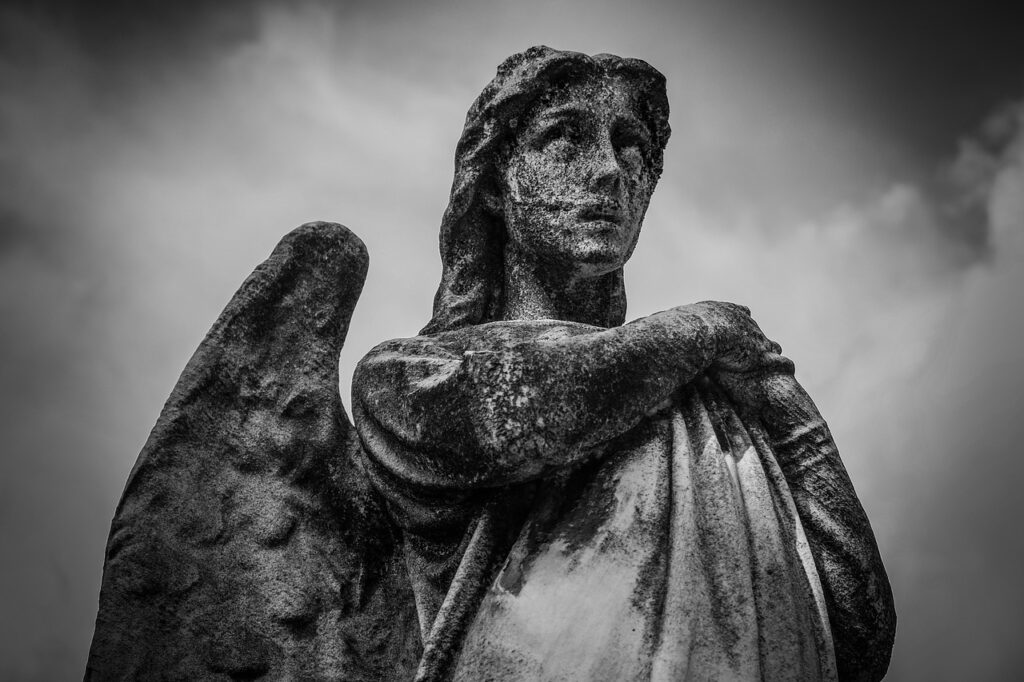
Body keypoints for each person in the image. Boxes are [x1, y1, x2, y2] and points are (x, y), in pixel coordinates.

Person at [352, 47, 895, 681]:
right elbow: (541, 407)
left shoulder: (708, 401)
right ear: (496, 183)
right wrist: (704, 330)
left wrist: (794, 423)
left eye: (631, 146)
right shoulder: (406, 381)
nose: (609, 170)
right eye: (565, 138)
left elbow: (856, 637)